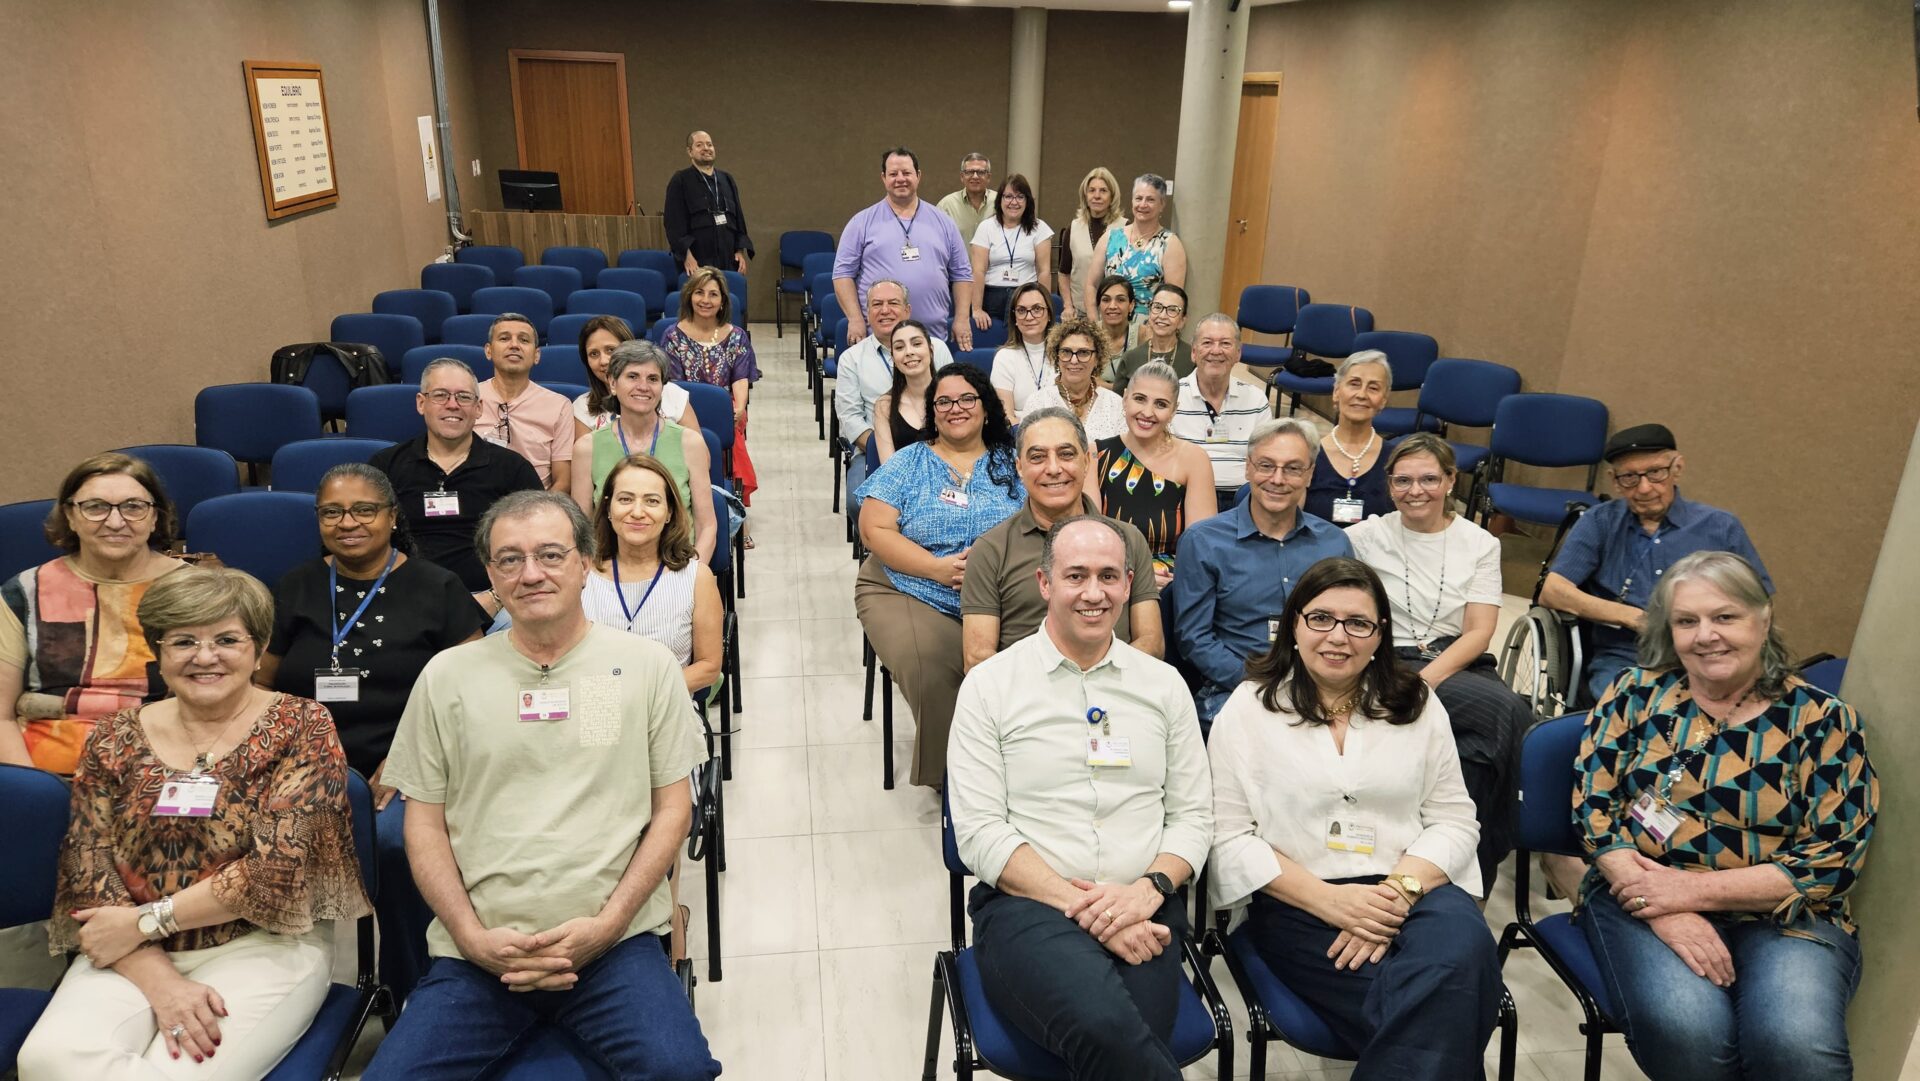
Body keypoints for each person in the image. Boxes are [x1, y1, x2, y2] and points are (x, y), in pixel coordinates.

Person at [364, 492, 719, 1080]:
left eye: (551, 555)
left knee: (680, 1071)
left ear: (585, 564)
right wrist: (471, 937)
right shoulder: (446, 676)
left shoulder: (647, 666)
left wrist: (607, 926)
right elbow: (421, 825)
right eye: (510, 559)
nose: (531, 574)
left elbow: (672, 812)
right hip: (480, 953)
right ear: (490, 575)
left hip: (613, 945)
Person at [19, 566, 371, 1078]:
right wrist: (156, 973)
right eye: (184, 641)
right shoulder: (112, 735)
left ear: (259, 648)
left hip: (262, 943)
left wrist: (146, 921)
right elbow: (87, 862)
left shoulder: (303, 724)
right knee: (49, 1060)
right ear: (158, 652)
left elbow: (277, 870)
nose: (205, 657)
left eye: (226, 639)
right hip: (130, 949)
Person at [1574, 550, 1875, 1081]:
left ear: (1763, 619)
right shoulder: (1635, 694)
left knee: (1794, 1044)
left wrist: (1687, 892)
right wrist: (1658, 904)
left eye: (1725, 616)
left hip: (1784, 913)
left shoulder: (1823, 721)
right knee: (1690, 1031)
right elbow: (1594, 810)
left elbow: (1833, 858)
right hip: (1640, 898)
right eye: (1687, 621)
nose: (1706, 635)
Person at [1208, 557, 1500, 1078]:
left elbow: (1456, 820)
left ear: (1380, 635)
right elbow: (1228, 837)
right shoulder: (1250, 708)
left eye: (1358, 623)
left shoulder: (1416, 703)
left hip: (1418, 890)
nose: (1338, 636)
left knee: (1462, 950)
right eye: (1321, 618)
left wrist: (1396, 893)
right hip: (1303, 903)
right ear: (1294, 624)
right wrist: (1333, 902)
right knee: (1451, 1003)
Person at [948, 515, 1212, 1080]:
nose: (1094, 593)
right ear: (1045, 584)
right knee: (1109, 1029)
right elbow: (979, 832)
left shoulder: (1163, 685)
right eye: (1076, 576)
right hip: (1028, 906)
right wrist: (1095, 912)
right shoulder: (990, 686)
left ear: (1129, 584)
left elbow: (1193, 816)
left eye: (1109, 576)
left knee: (1125, 1036)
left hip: (1145, 903)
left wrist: (1149, 889)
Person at [255, 463, 485, 1003]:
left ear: (391, 516)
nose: (347, 522)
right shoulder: (297, 585)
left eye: (363, 510)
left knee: (395, 844)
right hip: (305, 763)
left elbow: (472, 691)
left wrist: (408, 758)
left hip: (409, 763)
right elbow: (261, 685)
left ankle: (414, 989)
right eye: (332, 512)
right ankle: (280, 992)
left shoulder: (436, 586)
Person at [1347, 434, 1531, 888]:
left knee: (1483, 746)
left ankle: (1459, 864)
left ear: (1450, 481)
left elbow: (1480, 630)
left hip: (1455, 659)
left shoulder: (1480, 543)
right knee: (1504, 715)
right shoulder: (1364, 537)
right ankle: (1479, 865)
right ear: (1389, 485)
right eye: (1403, 480)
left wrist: (1426, 681)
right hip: (1387, 659)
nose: (1416, 491)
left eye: (1429, 479)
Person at [854, 364, 1025, 788]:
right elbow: (874, 529)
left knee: (1027, 657)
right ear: (932, 411)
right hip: (907, 587)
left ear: (986, 407)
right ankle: (953, 779)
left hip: (998, 591)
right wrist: (938, 568)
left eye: (967, 398)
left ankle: (1021, 761)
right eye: (943, 401)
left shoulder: (1014, 462)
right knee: (931, 664)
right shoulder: (910, 461)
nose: (955, 408)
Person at [1542, 423, 1772, 704]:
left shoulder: (1721, 527)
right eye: (1629, 477)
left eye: (1655, 473)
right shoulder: (1599, 522)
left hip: (1712, 654)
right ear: (1615, 481)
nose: (1644, 488)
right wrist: (1634, 618)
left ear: (1677, 468)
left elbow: (1759, 601)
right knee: (1638, 709)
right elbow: (1553, 591)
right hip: (1627, 658)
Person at [0, 453, 185, 774]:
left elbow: (220, 710)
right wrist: (32, 788)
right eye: (96, 507)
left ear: (155, 517)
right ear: (70, 516)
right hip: (45, 773)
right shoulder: (25, 592)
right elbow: (1, 717)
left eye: (133, 507)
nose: (115, 522)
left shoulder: (196, 590)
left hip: (163, 771)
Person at [1171, 417, 1352, 729]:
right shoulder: (1204, 542)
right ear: (1248, 468)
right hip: (1235, 687)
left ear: (1309, 474)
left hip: (1319, 687)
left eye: (1293, 468)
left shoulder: (1334, 543)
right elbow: (1194, 638)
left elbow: (1347, 626)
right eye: (1266, 465)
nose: (1277, 479)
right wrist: (1258, 683)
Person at [961, 407, 1162, 671]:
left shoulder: (1128, 539)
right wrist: (1057, 688)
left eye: (1066, 454)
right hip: (1026, 691)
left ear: (1087, 461)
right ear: (1019, 467)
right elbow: (977, 658)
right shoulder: (991, 550)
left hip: (1117, 687)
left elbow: (1151, 643)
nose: (1054, 469)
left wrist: (1096, 680)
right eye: (1037, 457)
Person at [372, 359, 542, 615]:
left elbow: (539, 538)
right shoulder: (386, 466)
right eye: (440, 395)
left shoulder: (512, 468)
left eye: (463, 397)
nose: (452, 404)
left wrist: (496, 597)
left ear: (478, 408)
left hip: (493, 602)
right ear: (421, 403)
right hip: (402, 599)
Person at [581, 454, 723, 698]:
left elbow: (708, 667)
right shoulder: (580, 575)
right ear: (608, 509)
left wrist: (640, 695)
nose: (637, 512)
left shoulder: (697, 578)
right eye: (625, 499)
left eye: (652, 501)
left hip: (667, 705)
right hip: (597, 704)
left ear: (669, 513)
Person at [570, 340, 718, 567]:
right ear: (612, 383)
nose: (643, 386)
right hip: (609, 567)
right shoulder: (586, 448)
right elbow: (583, 528)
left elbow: (707, 526)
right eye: (632, 377)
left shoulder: (690, 443)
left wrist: (694, 576)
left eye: (653, 379)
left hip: (678, 564)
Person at [1090, 361, 1218, 587]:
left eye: (1161, 404)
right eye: (1140, 399)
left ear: (1174, 410)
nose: (1147, 412)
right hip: (1109, 577)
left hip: (1172, 581)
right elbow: (1089, 536)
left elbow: (1201, 545)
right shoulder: (1095, 454)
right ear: (1125, 398)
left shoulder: (1194, 459)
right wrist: (1136, 577)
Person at [833, 280, 954, 515]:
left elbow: (952, 395)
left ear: (907, 310)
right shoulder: (851, 359)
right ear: (868, 313)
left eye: (893, 303)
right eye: (877, 304)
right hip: (874, 451)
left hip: (941, 449)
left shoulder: (937, 348)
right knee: (858, 505)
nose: (885, 310)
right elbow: (850, 419)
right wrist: (884, 445)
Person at [834, 146, 974, 349]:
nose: (900, 179)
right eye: (893, 174)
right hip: (879, 338)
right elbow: (842, 275)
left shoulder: (944, 222)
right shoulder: (861, 222)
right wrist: (855, 319)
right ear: (883, 178)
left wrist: (962, 319)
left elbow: (962, 274)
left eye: (906, 173)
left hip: (932, 337)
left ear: (918, 176)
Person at [663, 266, 761, 508]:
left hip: (726, 408)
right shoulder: (673, 336)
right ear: (689, 296)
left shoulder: (736, 336)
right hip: (682, 409)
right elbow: (672, 385)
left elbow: (740, 378)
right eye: (699, 292)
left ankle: (730, 505)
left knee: (732, 424)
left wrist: (739, 408)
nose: (705, 300)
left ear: (723, 301)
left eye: (713, 294)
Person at [1167, 313, 1270, 510]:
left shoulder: (1256, 399)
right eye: (1207, 343)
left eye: (1225, 343)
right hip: (1186, 495)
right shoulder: (1172, 396)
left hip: (1242, 499)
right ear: (1194, 352)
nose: (1216, 351)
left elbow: (1265, 459)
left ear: (1238, 353)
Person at [476, 313, 573, 493]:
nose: (514, 345)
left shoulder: (559, 406)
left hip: (535, 501)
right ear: (488, 351)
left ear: (536, 355)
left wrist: (539, 508)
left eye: (524, 340)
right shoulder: (467, 398)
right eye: (504, 338)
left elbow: (563, 481)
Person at [1304, 351, 1394, 527]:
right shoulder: (1308, 454)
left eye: (1373, 388)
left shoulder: (1395, 461)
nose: (1362, 394)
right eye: (1354, 384)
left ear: (1383, 400)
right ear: (1336, 392)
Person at [573, 314, 690, 437]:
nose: (603, 361)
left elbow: (694, 447)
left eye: (610, 350)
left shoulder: (672, 394)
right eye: (594, 354)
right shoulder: (582, 407)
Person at [1092, 174, 1187, 324]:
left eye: (1150, 199)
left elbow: (1173, 299)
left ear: (1162, 204)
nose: (1143, 204)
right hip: (1108, 325)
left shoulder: (1170, 244)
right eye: (1138, 198)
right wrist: (1095, 324)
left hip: (1149, 328)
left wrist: (1151, 331)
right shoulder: (1110, 237)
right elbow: (1091, 285)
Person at [968, 173, 1053, 333]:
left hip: (1027, 297)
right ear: (999, 199)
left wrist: (1044, 308)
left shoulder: (1039, 228)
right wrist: (977, 309)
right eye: (1008, 196)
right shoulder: (986, 227)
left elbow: (1044, 271)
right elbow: (978, 271)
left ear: (1027, 201)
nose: (1014, 202)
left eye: (1020, 197)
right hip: (992, 298)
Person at [663, 129, 752, 276]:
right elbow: (674, 224)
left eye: (709, 144)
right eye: (699, 145)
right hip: (697, 263)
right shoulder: (681, 180)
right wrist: (687, 256)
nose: (706, 148)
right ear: (690, 152)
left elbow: (739, 220)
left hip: (728, 261)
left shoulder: (727, 179)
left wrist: (739, 250)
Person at [1027, 317, 1126, 441]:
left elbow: (1125, 451)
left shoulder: (1115, 404)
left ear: (1097, 358)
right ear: (1057, 357)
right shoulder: (1037, 402)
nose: (1074, 360)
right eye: (1066, 352)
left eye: (1083, 352)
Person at [1055, 167, 1124, 321]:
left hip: (1114, 314)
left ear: (1112, 196)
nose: (1097, 196)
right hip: (1080, 313)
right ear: (1085, 195)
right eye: (1092, 190)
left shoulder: (1125, 228)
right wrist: (1068, 305)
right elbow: (1063, 273)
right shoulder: (1073, 228)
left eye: (1103, 191)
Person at [988, 280, 1059, 421]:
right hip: (1020, 432)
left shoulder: (1066, 353)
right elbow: (1006, 416)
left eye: (1037, 309)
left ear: (1049, 314)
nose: (1029, 317)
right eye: (1021, 310)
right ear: (1014, 318)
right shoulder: (1005, 357)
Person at [873, 319, 941, 464]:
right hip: (902, 478)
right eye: (899, 347)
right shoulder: (884, 406)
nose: (909, 352)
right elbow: (889, 468)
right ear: (893, 358)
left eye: (916, 344)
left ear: (931, 350)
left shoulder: (953, 399)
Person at [1109, 284, 1193, 399]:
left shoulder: (1193, 358)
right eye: (1157, 307)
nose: (1162, 316)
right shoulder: (1131, 358)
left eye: (1172, 310)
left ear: (1182, 320)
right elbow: (1117, 403)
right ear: (1149, 313)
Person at [935, 152, 997, 249]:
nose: (975, 176)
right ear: (962, 176)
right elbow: (936, 241)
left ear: (988, 177)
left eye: (981, 172)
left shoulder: (1000, 202)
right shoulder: (946, 205)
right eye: (969, 172)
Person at [1093, 273, 1137, 377]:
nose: (1112, 306)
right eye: (1106, 300)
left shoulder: (1143, 335)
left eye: (1120, 300)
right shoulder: (1088, 335)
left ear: (1131, 305)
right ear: (1099, 305)